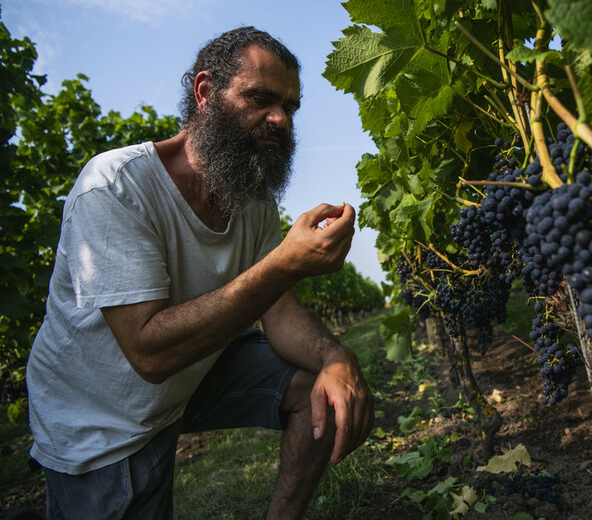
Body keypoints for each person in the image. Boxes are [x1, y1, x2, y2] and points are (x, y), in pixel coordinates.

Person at [25, 26, 375, 519]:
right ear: (206, 93)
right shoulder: (115, 187)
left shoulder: (252, 203)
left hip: (192, 373)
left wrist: (335, 358)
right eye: (261, 98)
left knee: (319, 389)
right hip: (102, 419)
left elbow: (281, 313)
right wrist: (283, 264)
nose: (280, 119)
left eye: (291, 107)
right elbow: (149, 354)